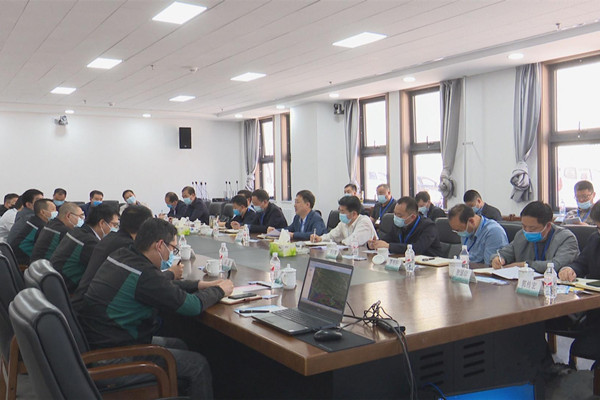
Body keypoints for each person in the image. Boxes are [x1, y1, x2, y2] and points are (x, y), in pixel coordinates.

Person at [78, 218, 233, 399]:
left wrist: (199, 285)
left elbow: (159, 285)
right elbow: (191, 306)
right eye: (173, 249)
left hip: (101, 344)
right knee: (198, 365)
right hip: (113, 359)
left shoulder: (123, 255)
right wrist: (220, 290)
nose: (172, 255)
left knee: (179, 344)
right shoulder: (145, 274)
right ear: (160, 245)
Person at [72, 205, 155, 309]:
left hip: (84, 300)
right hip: (94, 308)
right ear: (145, 228)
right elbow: (145, 279)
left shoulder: (111, 238)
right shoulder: (127, 247)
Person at [491, 201, 579, 273]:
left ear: (548, 226)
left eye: (532, 228)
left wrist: (525, 265)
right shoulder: (521, 235)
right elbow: (504, 253)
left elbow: (557, 265)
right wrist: (498, 258)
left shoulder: (566, 238)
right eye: (524, 226)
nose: (527, 231)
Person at [50, 204, 119, 293]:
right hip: (68, 290)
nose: (116, 229)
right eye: (114, 225)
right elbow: (104, 271)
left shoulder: (78, 232)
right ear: (102, 223)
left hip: (57, 283)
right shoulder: (90, 242)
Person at [367, 196, 444, 256]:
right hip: (405, 261)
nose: (396, 217)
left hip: (429, 264)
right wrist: (375, 244)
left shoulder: (428, 226)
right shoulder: (398, 224)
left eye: (399, 215)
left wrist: (389, 246)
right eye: (395, 214)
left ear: (412, 217)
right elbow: (387, 239)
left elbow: (418, 248)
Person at [312, 195, 377, 246]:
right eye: (340, 211)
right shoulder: (344, 223)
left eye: (342, 211)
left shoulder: (364, 222)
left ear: (354, 214)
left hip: (368, 257)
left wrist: (339, 242)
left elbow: (353, 241)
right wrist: (320, 238)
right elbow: (332, 236)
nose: (340, 214)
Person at [9, 198, 55, 265]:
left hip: (15, 258)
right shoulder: (40, 227)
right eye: (53, 209)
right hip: (22, 262)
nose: (56, 212)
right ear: (43, 212)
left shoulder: (34, 221)